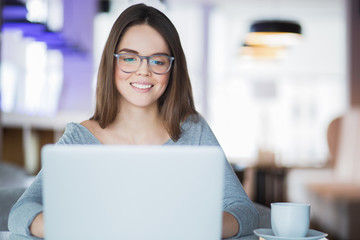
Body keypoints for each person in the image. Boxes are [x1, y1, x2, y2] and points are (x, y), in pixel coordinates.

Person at [8, 3, 259, 239]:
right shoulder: (79, 138)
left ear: (172, 70)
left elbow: (244, 212)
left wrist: (191, 225)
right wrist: (80, 228)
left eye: (158, 61)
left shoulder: (194, 132)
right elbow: (21, 213)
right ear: (112, 62)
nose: (143, 71)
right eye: (129, 58)